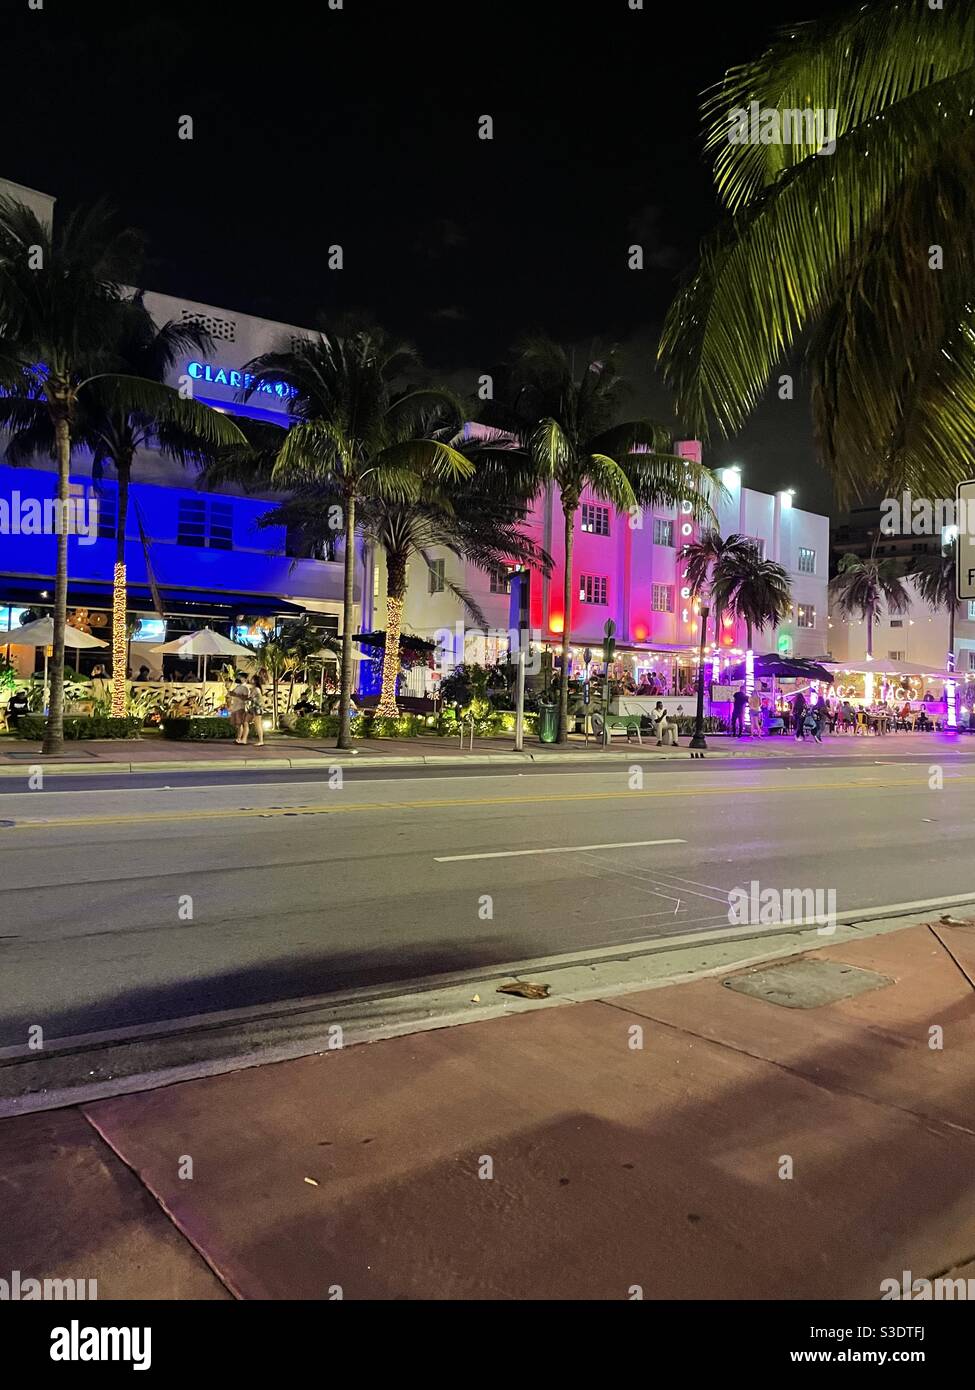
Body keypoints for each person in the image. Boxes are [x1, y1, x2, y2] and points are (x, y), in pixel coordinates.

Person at [228, 671, 251, 744]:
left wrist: (235, 694)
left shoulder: (245, 687)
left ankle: (239, 738)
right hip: (235, 707)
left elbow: (245, 698)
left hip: (240, 707)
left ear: (244, 678)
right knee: (237, 725)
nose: (238, 678)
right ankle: (238, 738)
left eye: (240, 677)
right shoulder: (238, 686)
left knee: (240, 724)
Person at [248, 674, 266, 747]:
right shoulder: (255, 688)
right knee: (256, 724)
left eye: (252, 679)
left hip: (257, 708)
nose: (250, 680)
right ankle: (260, 740)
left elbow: (250, 697)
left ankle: (261, 741)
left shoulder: (256, 689)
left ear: (255, 681)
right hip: (255, 708)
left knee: (258, 724)